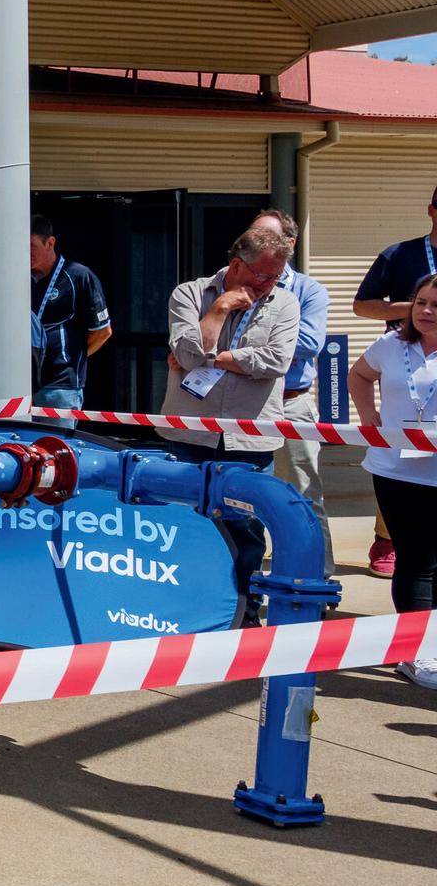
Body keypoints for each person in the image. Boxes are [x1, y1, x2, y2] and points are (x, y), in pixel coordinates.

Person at [162, 226, 300, 623]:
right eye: (263, 275)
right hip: (190, 435)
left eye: (277, 276)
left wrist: (216, 357)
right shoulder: (190, 294)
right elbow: (188, 354)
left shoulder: (284, 302)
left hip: (249, 438)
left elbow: (276, 361)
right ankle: (185, 612)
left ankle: (245, 614)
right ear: (237, 264)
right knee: (185, 527)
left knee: (245, 533)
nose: (270, 283)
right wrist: (219, 309)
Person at [347, 270, 437, 688]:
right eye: (421, 303)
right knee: (417, 561)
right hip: (396, 471)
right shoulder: (391, 344)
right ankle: (416, 652)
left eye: (436, 305)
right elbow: (359, 375)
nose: (426, 311)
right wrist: (368, 415)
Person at [349, 186, 437, 579]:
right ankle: (387, 540)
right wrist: (416, 309)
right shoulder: (400, 254)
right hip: (408, 361)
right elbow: (361, 305)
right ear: (431, 210)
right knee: (399, 455)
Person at [250, 210, 335, 576]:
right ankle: (246, 575)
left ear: (290, 244)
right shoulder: (231, 282)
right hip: (243, 405)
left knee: (302, 496)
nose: (257, 244)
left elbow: (309, 343)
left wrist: (247, 341)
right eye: (253, 236)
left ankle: (315, 576)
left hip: (290, 404)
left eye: (267, 237)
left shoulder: (309, 291)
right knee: (242, 496)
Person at [29, 216, 112, 410]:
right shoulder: (18, 277)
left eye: (31, 246)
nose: (25, 252)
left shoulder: (79, 276)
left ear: (50, 243)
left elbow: (103, 332)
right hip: (20, 385)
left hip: (60, 388)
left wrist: (71, 359)